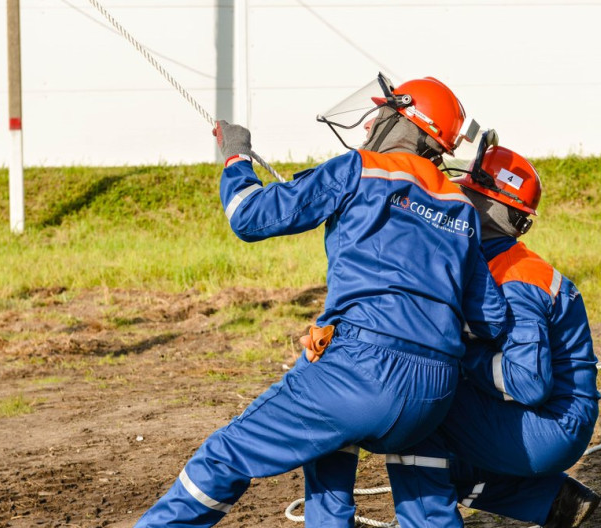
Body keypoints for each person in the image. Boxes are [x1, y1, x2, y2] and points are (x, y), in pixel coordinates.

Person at [132, 74, 509, 527]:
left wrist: (236, 155)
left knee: (225, 455)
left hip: (360, 372)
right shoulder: (461, 207)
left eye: (381, 115)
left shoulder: (357, 168)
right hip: (433, 394)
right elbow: (490, 318)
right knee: (358, 455)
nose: (370, 126)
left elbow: (249, 216)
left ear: (402, 120)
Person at [302, 142, 601, 528]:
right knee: (436, 440)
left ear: (489, 206)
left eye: (465, 192)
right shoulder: (498, 262)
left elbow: (528, 381)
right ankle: (551, 501)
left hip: (549, 425)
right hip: (554, 420)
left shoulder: (515, 278)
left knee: (419, 409)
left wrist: (454, 354)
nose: (452, 198)